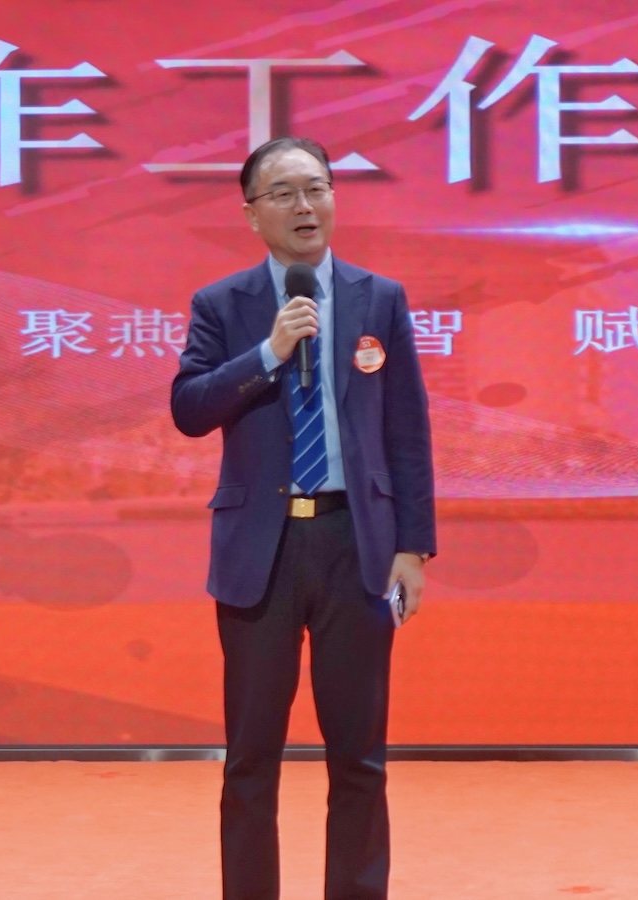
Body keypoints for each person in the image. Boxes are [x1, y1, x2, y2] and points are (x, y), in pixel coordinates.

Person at [170, 136, 436, 900]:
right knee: (251, 757)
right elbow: (189, 409)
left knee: (360, 758)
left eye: (316, 188)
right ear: (251, 214)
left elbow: (407, 430)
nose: (304, 206)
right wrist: (268, 352)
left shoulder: (378, 298)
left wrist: (413, 547)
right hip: (263, 550)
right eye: (283, 193)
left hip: (359, 544)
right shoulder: (223, 305)